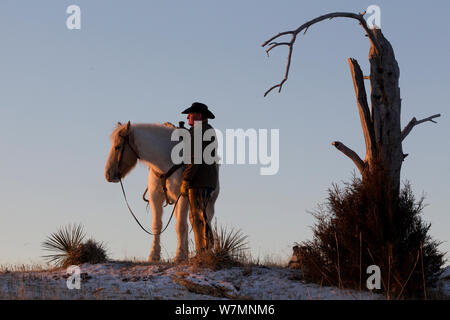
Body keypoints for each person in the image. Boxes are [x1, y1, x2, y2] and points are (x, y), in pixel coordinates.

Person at [180, 102, 218, 252]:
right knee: (198, 216)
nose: (188, 116)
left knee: (199, 217)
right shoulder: (204, 130)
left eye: (191, 113)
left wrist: (186, 180)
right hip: (205, 179)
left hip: (199, 180)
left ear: (199, 116)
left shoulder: (199, 131)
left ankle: (205, 252)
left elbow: (194, 158)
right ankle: (203, 251)